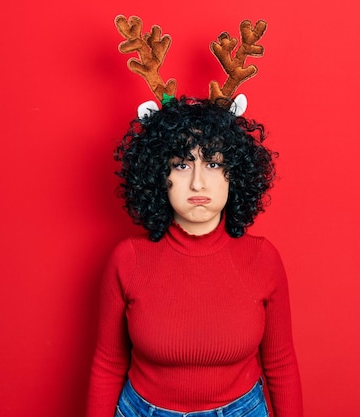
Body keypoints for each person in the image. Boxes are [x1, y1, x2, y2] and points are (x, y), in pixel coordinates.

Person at [86, 96, 303, 417]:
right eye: (182, 165)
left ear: (234, 174)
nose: (197, 182)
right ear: (159, 174)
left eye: (213, 163)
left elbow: (281, 363)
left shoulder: (263, 258)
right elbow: (108, 363)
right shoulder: (128, 259)